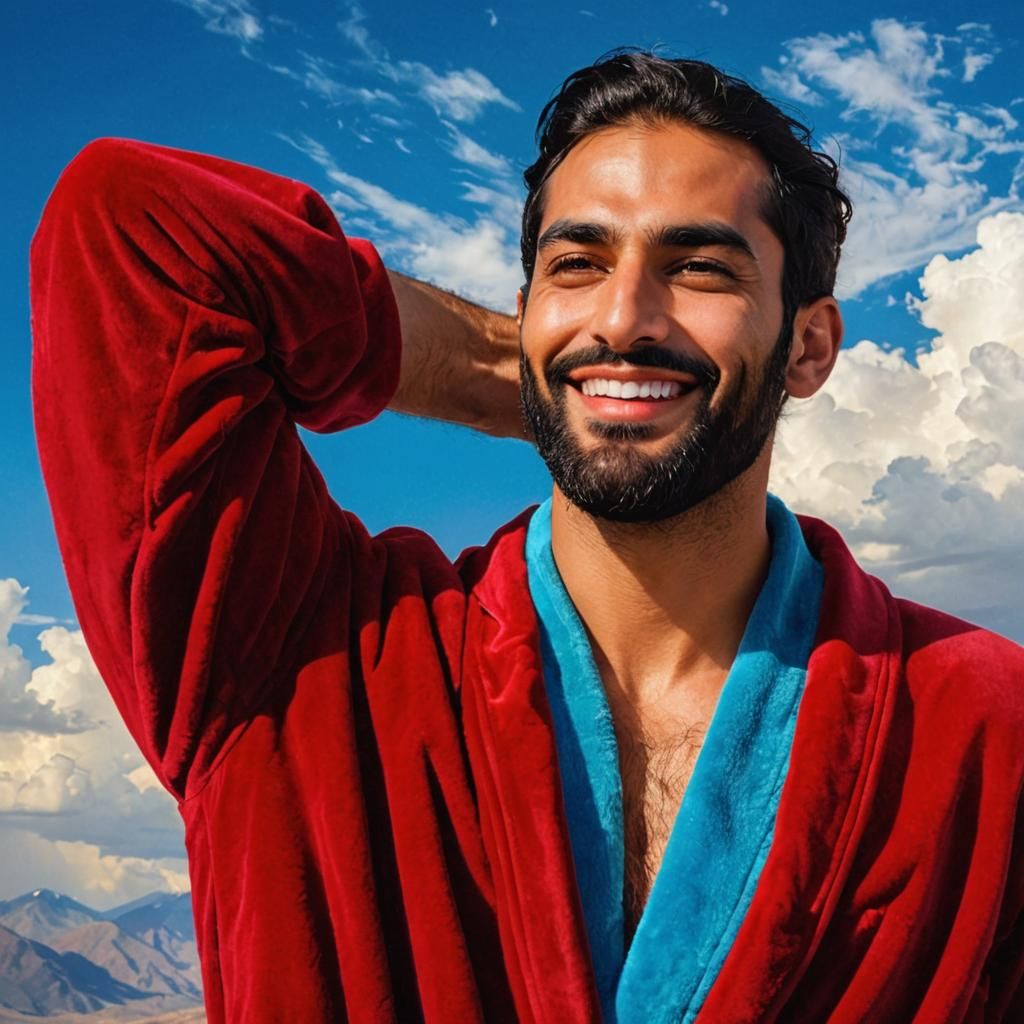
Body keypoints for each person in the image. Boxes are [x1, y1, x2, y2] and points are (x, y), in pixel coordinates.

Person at [30, 49, 1024, 1024]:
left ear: (807, 346)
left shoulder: (979, 727)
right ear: (524, 316)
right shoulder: (298, 658)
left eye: (698, 268)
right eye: (576, 266)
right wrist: (563, 380)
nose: (624, 316)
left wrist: (613, 385)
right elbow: (129, 225)